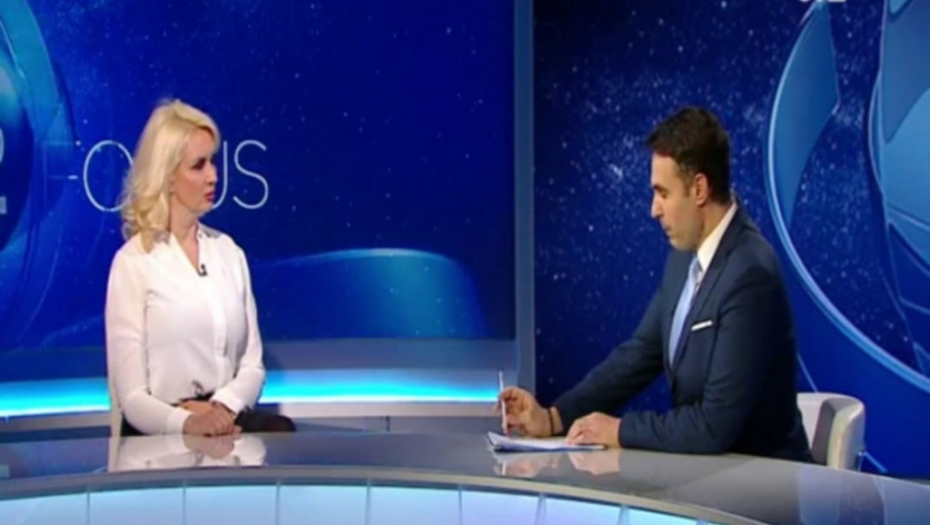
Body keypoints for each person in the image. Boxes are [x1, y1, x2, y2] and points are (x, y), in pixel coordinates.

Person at [500, 107, 811, 461]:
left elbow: (713, 427)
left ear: (699, 189)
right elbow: (638, 356)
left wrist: (619, 430)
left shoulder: (750, 275)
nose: (654, 209)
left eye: (663, 193)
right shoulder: (683, 258)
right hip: (709, 476)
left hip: (764, 482)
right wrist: (554, 417)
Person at [105, 99, 294, 436]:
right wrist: (190, 422)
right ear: (168, 177)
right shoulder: (133, 263)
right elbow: (132, 398)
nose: (213, 176)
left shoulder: (228, 252)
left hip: (228, 423)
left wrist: (222, 408)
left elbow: (252, 365)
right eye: (198, 166)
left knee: (280, 432)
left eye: (213, 162)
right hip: (162, 434)